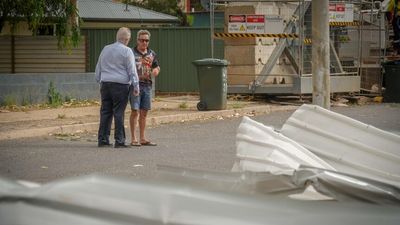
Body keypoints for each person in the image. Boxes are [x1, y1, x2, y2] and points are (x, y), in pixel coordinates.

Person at [95, 27, 139, 148]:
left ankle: (103, 139)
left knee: (105, 111)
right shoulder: (127, 51)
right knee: (119, 112)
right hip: (120, 85)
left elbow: (98, 67)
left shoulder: (105, 49)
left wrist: (99, 80)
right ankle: (119, 140)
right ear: (127, 39)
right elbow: (132, 70)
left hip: (105, 84)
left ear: (117, 37)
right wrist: (136, 86)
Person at [129, 30, 160, 146]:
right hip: (135, 86)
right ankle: (133, 138)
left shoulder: (151, 53)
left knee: (144, 113)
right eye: (142, 40)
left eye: (147, 40)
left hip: (147, 86)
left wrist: (156, 70)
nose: (144, 43)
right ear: (137, 40)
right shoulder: (131, 53)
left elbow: (157, 66)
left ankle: (142, 138)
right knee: (135, 111)